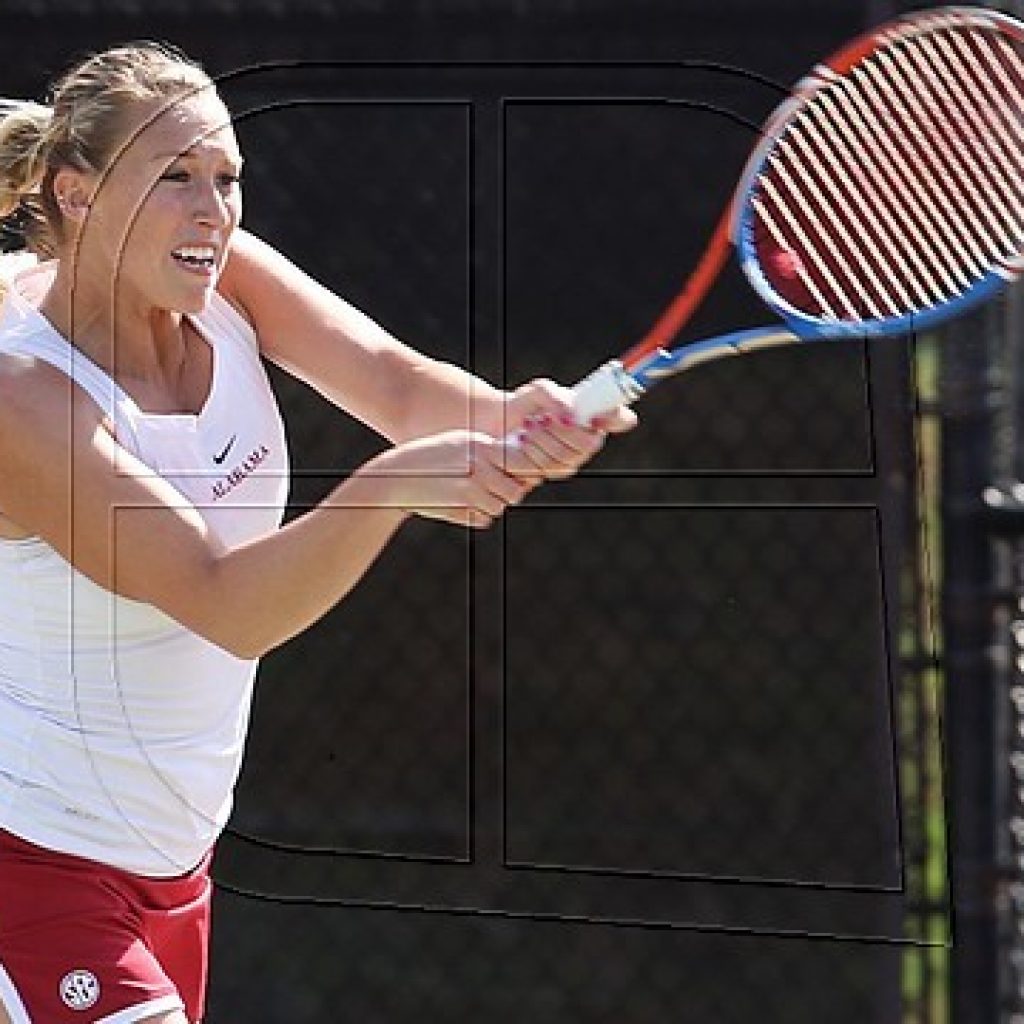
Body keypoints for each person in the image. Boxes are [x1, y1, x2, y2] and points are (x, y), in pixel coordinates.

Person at [0, 43, 634, 1024]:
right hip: (32, 857)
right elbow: (225, 602)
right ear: (77, 195)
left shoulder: (226, 281)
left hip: (171, 863)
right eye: (175, 177)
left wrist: (513, 416)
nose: (212, 210)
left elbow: (393, 380)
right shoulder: (24, 395)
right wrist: (389, 488)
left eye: (226, 177)